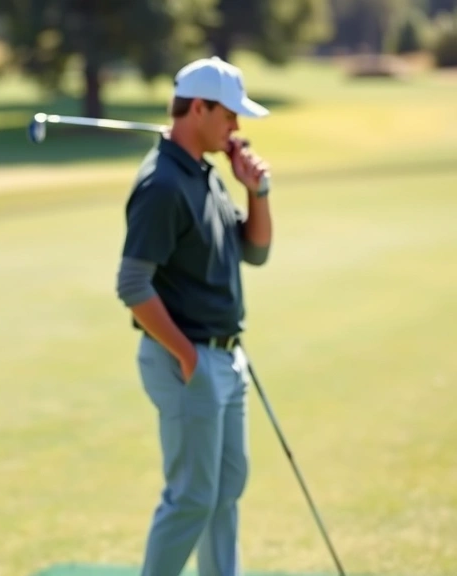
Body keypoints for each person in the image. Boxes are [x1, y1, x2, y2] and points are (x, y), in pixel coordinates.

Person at [116, 56, 274, 576]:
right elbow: (133, 285)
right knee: (191, 498)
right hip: (187, 361)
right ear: (200, 109)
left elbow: (255, 251)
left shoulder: (205, 175)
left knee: (224, 492)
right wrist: (188, 357)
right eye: (229, 116)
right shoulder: (162, 185)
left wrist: (257, 190)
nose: (236, 128)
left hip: (225, 360)